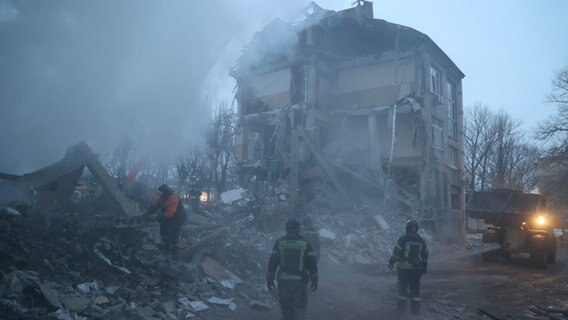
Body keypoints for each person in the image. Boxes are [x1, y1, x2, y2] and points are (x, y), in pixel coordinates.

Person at [267, 218, 318, 320]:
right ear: (298, 229)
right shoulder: (305, 243)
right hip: (299, 282)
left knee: (286, 308)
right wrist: (315, 279)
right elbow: (312, 263)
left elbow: (272, 262)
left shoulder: (279, 242)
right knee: (298, 308)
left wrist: (269, 278)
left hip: (283, 281)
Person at [389, 219, 428, 315]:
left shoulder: (403, 239)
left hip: (403, 269)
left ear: (407, 228)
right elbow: (425, 255)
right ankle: (415, 311)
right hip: (416, 270)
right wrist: (424, 268)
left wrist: (391, 262)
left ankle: (401, 310)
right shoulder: (421, 240)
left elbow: (396, 253)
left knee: (402, 288)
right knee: (415, 290)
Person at [147, 184, 187, 259]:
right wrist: (148, 212)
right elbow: (154, 206)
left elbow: (169, 213)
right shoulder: (161, 197)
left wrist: (155, 218)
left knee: (173, 233)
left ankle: (175, 252)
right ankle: (165, 245)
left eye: (161, 195)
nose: (160, 197)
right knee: (163, 228)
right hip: (169, 216)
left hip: (178, 217)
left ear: (166, 194)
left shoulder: (173, 199)